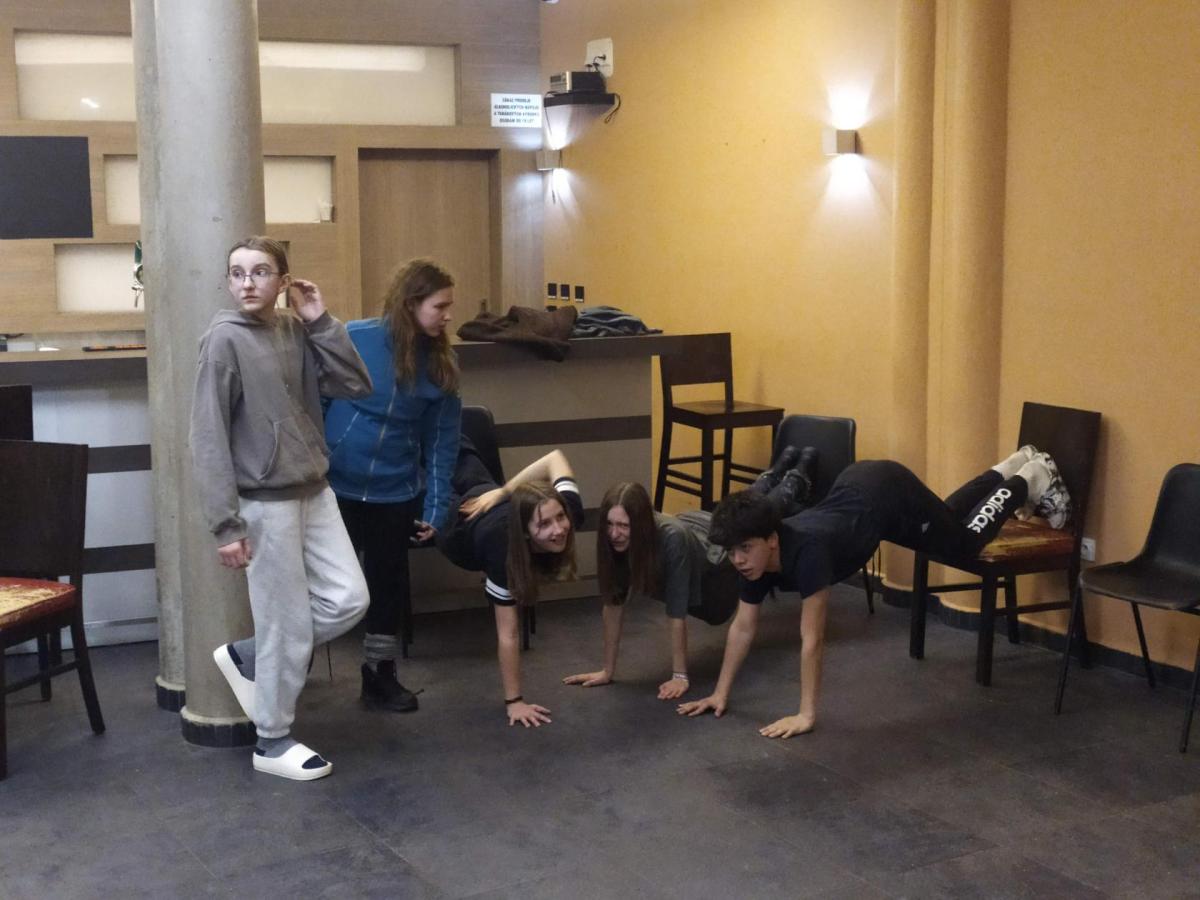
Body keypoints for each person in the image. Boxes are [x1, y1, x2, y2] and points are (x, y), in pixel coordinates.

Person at [677, 446, 1070, 739]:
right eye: (733, 551)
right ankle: (1011, 467)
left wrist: (805, 715)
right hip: (866, 494)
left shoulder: (808, 555)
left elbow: (812, 640)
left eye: (744, 549)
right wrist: (719, 694)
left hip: (885, 492)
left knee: (964, 544)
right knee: (947, 524)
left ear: (771, 540)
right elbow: (743, 626)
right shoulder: (756, 559)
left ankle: (1029, 478)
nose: (738, 559)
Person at [193, 235, 372, 782]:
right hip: (263, 502)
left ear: (284, 280)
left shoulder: (295, 330)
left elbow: (355, 385)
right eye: (237, 272)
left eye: (261, 271)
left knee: (349, 598)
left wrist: (321, 322)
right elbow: (207, 437)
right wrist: (226, 525)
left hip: (314, 489)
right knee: (284, 622)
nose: (247, 282)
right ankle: (271, 741)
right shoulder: (223, 340)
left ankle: (253, 655)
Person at [562, 450, 817, 699]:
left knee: (759, 518)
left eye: (623, 526)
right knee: (746, 511)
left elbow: (677, 613)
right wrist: (607, 671)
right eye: (609, 524)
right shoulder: (614, 542)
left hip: (717, 559)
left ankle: (797, 476)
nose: (614, 533)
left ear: (640, 524)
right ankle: (776, 471)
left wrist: (680, 675)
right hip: (697, 527)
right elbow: (613, 605)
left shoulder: (672, 539)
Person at [323, 259, 461, 713]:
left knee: (386, 587)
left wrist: (436, 509)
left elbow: (442, 444)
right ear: (411, 303)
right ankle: (286, 670)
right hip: (335, 488)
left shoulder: (442, 365)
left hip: (394, 493)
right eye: (440, 306)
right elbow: (315, 403)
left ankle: (379, 676)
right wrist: (313, 470)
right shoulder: (355, 338)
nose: (447, 316)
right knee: (320, 585)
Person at [437, 443, 582, 727]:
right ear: (525, 533)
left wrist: (503, 492)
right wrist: (514, 702)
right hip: (464, 515)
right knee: (434, 449)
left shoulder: (568, 512)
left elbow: (553, 458)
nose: (559, 529)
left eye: (559, 518)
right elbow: (509, 633)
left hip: (470, 504)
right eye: (544, 524)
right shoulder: (503, 549)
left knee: (432, 456)